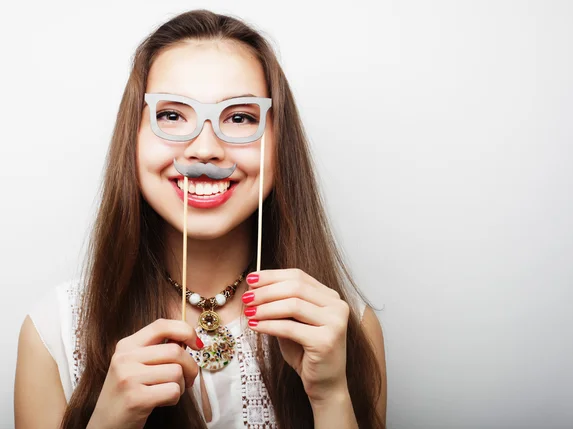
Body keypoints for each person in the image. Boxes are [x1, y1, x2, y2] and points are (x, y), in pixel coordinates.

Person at [14, 9, 387, 429]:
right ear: (132, 138)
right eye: (172, 115)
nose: (205, 150)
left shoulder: (343, 324)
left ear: (280, 144)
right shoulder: (54, 332)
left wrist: (331, 396)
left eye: (241, 117)